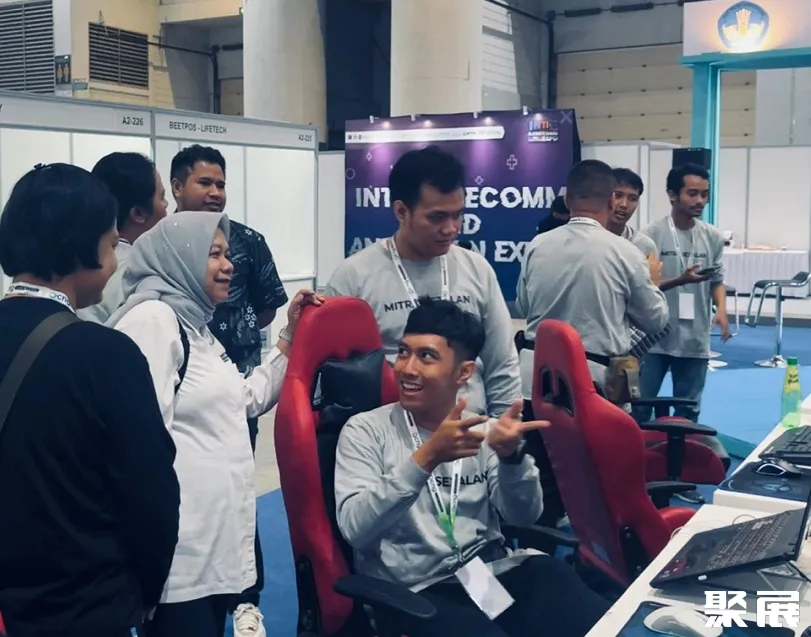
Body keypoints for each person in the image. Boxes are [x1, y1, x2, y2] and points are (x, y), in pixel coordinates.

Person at [334, 298, 609, 637]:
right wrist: (426, 458)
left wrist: (512, 460)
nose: (407, 368)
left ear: (463, 372)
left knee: (564, 590)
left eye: (426, 356)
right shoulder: (366, 431)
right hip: (415, 591)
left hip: (479, 578)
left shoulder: (482, 430)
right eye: (404, 352)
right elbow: (355, 528)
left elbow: (524, 516)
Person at [106, 212, 322, 637]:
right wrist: (145, 562)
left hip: (211, 550)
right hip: (178, 560)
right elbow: (139, 450)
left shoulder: (196, 326)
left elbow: (244, 399)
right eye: (214, 254)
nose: (229, 266)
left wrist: (289, 338)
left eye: (228, 254)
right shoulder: (154, 321)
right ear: (179, 258)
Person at [0, 163, 180, 637]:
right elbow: (151, 495)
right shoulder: (107, 355)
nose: (117, 262)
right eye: (111, 244)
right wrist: (144, 590)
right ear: (83, 248)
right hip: (83, 606)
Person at [170, 144, 288, 635]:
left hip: (235, 379)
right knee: (191, 498)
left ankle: (243, 595)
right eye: (205, 182)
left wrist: (237, 334)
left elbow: (268, 304)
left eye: (221, 183)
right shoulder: (164, 252)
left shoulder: (249, 241)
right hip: (184, 393)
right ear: (177, 187)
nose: (216, 192)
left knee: (237, 488)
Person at [326, 145, 521, 418]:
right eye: (437, 217)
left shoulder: (476, 269)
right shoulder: (354, 277)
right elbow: (336, 379)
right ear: (401, 212)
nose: (451, 228)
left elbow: (502, 362)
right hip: (392, 434)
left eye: (457, 215)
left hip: (472, 426)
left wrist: (504, 428)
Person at [516, 159, 669, 394]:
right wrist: (654, 284)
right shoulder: (627, 252)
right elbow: (655, 320)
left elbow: (523, 307)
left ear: (567, 200)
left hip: (535, 376)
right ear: (611, 201)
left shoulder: (538, 245)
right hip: (593, 382)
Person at [635, 165, 730, 424]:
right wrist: (680, 280)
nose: (700, 201)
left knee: (688, 411)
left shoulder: (712, 236)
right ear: (672, 194)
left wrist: (721, 311)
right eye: (692, 193)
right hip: (652, 338)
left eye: (704, 194)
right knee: (639, 406)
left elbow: (717, 281)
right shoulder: (649, 236)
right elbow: (640, 287)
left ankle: (682, 450)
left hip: (694, 337)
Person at [78, 152, 169, 323]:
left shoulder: (76, 263)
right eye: (162, 197)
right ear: (138, 213)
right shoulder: (140, 271)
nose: (166, 205)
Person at [607, 168, 657, 258]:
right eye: (618, 195)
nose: (624, 204)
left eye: (632, 199)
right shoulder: (588, 238)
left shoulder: (644, 245)